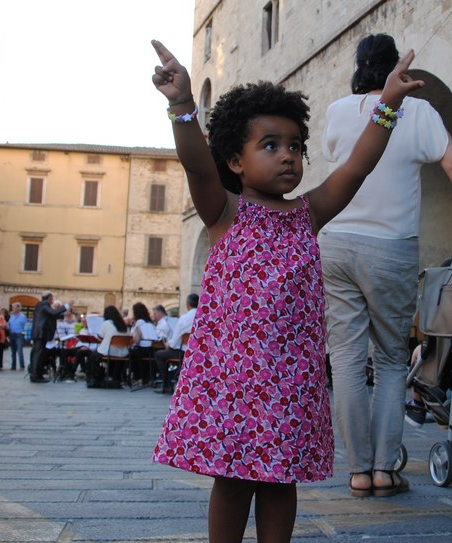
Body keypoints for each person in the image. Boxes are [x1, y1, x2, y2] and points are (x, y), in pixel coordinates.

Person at [149, 38, 422, 543]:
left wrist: (386, 107)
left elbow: (357, 167)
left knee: (281, 481)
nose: (288, 157)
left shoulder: (308, 214)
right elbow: (196, 165)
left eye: (295, 146)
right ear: (236, 160)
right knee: (233, 479)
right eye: (270, 145)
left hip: (291, 382)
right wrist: (182, 105)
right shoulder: (224, 212)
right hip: (232, 382)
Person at [320, 33, 452, 498]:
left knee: (347, 361)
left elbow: (337, 159)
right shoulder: (417, 110)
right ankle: (383, 470)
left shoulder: (338, 111)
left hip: (336, 243)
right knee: (392, 360)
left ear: (358, 67)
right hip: (390, 246)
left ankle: (358, 471)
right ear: (397, 65)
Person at [154, 293, 198, 394]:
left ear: (188, 305)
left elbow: (173, 343)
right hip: (200, 352)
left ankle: (167, 385)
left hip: (184, 353)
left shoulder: (184, 318)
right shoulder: (204, 317)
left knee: (159, 355)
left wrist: (167, 343)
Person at [30, 292, 69, 383]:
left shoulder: (41, 305)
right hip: (41, 333)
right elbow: (52, 312)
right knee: (38, 355)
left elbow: (50, 316)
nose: (53, 299)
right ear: (49, 298)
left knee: (40, 354)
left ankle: (38, 374)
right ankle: (35, 376)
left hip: (41, 333)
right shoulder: (44, 304)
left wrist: (63, 316)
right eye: (52, 298)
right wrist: (66, 306)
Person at [88, 305, 129, 386]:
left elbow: (100, 337)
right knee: (112, 357)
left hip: (109, 351)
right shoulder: (123, 325)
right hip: (123, 352)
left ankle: (96, 377)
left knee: (92, 356)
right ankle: (114, 377)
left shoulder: (107, 323)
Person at [129, 302, 160, 387]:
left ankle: (137, 377)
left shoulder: (139, 322)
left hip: (141, 348)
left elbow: (137, 340)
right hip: (150, 349)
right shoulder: (150, 323)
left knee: (129, 354)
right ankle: (146, 378)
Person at [7, 304, 28, 372]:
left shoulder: (23, 317)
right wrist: (8, 327)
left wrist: (23, 335)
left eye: (14, 308)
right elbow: (9, 324)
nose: (13, 309)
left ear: (18, 309)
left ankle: (22, 366)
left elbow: (25, 327)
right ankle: (13, 366)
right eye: (12, 308)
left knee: (19, 351)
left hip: (19, 334)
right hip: (12, 334)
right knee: (13, 351)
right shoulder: (12, 316)